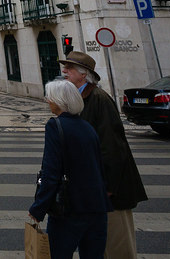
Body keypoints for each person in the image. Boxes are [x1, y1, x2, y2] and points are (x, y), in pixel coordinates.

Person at [60, 51, 147, 259]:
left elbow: (113, 147)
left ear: (84, 74)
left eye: (69, 68)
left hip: (110, 191)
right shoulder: (80, 99)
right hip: (92, 188)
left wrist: (108, 187)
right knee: (98, 244)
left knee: (117, 246)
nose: (64, 71)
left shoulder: (99, 99)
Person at [29, 79, 111, 259]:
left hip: (70, 209)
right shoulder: (87, 127)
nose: (47, 100)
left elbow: (51, 173)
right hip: (97, 208)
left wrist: (38, 208)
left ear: (59, 101)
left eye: (49, 97)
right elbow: (99, 166)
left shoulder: (55, 126)